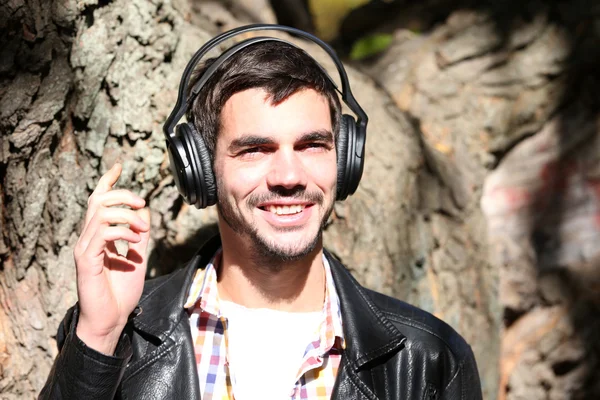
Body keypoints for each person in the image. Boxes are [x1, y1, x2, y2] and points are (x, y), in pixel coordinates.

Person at [40, 25, 482, 400]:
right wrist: (99, 338)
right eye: (254, 150)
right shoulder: (114, 335)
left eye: (312, 145)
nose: (289, 175)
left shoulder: (429, 359)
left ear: (345, 159)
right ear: (200, 172)